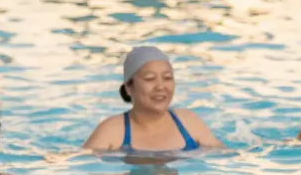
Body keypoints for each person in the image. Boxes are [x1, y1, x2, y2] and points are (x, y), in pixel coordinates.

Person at [83, 47, 221, 153]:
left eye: (167, 78)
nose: (161, 87)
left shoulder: (189, 123)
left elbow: (225, 156)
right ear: (129, 88)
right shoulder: (113, 130)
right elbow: (79, 163)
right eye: (149, 79)